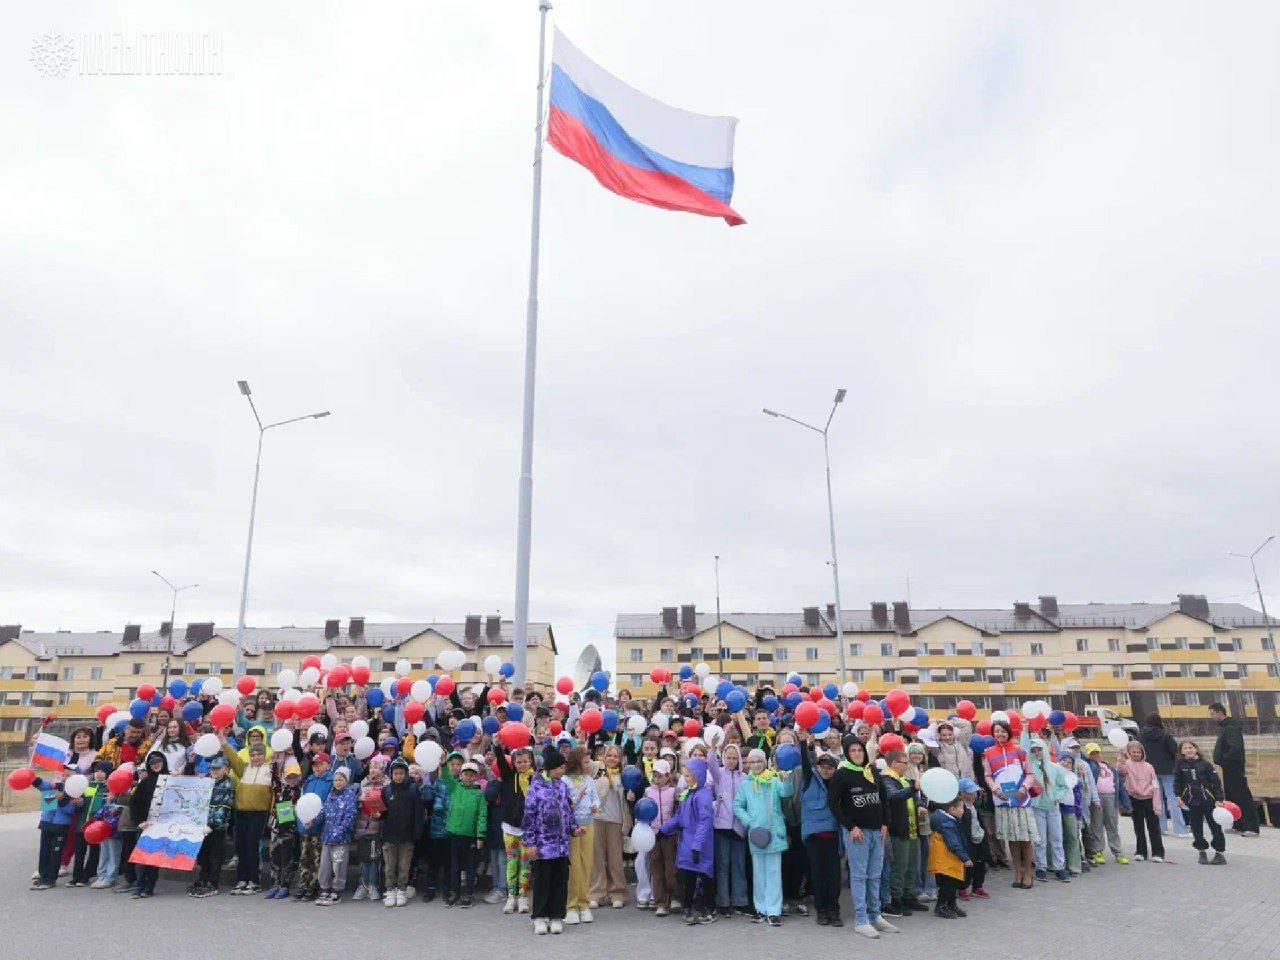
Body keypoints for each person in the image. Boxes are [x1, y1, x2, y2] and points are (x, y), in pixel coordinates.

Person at [829, 734, 894, 939]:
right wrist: (850, 827)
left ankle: (876, 915)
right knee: (859, 876)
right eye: (852, 750)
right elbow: (833, 804)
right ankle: (861, 919)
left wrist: (885, 823)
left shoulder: (872, 771)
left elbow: (883, 798)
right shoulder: (842, 774)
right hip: (858, 833)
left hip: (877, 831)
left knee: (876, 874)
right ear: (847, 754)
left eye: (859, 750)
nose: (857, 753)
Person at [523, 745, 580, 934]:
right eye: (559, 768)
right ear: (550, 768)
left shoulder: (563, 786)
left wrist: (574, 829)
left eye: (563, 768)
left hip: (562, 847)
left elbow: (568, 811)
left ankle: (556, 916)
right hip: (542, 847)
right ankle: (540, 917)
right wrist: (530, 843)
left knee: (559, 882)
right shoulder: (535, 788)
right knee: (542, 882)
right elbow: (529, 818)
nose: (562, 771)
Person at [733, 747, 792, 928]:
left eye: (759, 761)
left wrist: (786, 779)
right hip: (756, 835)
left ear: (765, 762)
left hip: (774, 833)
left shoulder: (773, 780)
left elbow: (786, 793)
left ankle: (774, 911)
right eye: (752, 761)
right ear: (748, 764)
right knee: (758, 873)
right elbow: (737, 805)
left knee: (774, 873)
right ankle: (760, 909)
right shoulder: (746, 784)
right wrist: (750, 821)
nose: (756, 764)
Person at [660, 756, 715, 925]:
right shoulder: (688, 794)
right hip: (687, 844)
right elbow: (679, 817)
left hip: (700, 845)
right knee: (687, 878)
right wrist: (664, 829)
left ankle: (708, 908)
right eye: (684, 775)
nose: (686, 778)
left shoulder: (703, 795)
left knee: (705, 878)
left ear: (698, 775)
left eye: (689, 775)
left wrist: (697, 845)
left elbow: (704, 821)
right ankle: (687, 907)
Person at [982, 720, 1037, 889]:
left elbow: (1030, 774)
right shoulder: (988, 753)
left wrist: (1024, 788)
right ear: (993, 733)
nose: (1000, 734)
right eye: (997, 731)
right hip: (1003, 800)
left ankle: (1028, 873)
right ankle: (1017, 873)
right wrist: (995, 789)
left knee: (1025, 838)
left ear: (1009, 732)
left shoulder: (1020, 750)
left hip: (1021, 800)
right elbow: (988, 776)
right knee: (1012, 838)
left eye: (1003, 731)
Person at [797, 737, 843, 926]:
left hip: (833, 836)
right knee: (817, 874)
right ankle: (821, 910)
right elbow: (805, 763)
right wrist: (803, 744)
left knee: (834, 876)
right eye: (822, 766)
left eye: (830, 767)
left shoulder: (837, 784)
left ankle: (834, 911)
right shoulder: (809, 779)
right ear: (817, 767)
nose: (826, 769)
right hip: (814, 838)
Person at [220, 734, 274, 894]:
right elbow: (233, 757)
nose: (255, 757)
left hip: (259, 813)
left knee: (251, 845)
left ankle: (254, 881)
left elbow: (275, 792)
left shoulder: (270, 770)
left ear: (265, 755)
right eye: (252, 754)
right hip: (242, 812)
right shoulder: (244, 768)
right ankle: (242, 879)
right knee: (240, 846)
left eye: (259, 754)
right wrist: (224, 743)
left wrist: (272, 814)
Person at [708, 742, 749, 918]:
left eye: (734, 757)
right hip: (722, 826)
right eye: (728, 757)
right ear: (723, 758)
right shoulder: (719, 775)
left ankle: (740, 901)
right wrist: (711, 748)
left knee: (739, 865)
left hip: (739, 827)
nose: (731, 761)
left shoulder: (745, 777)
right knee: (723, 865)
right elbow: (710, 765)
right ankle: (723, 902)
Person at [882, 749, 925, 917]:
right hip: (898, 830)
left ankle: (909, 896)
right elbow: (894, 797)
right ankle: (897, 900)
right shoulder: (887, 779)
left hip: (912, 829)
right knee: (899, 867)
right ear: (893, 763)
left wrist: (921, 804)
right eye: (904, 762)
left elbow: (914, 798)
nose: (907, 765)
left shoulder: (904, 779)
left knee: (912, 866)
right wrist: (913, 789)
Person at [493, 743, 535, 914]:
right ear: (514, 763)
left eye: (525, 761)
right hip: (510, 827)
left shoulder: (537, 779)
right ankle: (511, 897)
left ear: (531, 761)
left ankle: (523, 896)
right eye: (518, 762)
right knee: (512, 861)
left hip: (528, 829)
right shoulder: (510, 776)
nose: (522, 764)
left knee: (525, 863)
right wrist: (497, 747)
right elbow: (502, 763)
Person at [441, 758, 488, 907]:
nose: (469, 777)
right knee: (454, 865)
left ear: (476, 777)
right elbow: (446, 777)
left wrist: (480, 836)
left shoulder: (479, 794)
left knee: (470, 867)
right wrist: (443, 765)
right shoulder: (454, 787)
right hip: (454, 834)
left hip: (471, 837)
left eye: (472, 775)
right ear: (460, 775)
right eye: (466, 774)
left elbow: (482, 816)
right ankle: (455, 892)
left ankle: (469, 893)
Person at [589, 742, 630, 909]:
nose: (612, 758)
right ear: (603, 757)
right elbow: (584, 759)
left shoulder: (625, 775)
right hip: (597, 818)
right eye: (609, 755)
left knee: (615, 859)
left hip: (616, 820)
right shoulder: (596, 770)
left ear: (620, 759)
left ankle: (618, 893)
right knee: (596, 858)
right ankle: (596, 893)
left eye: (615, 756)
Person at [1173, 740, 1227, 865]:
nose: (1188, 750)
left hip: (1208, 801)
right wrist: (1178, 796)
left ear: (1196, 749)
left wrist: (1219, 799)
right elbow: (1177, 782)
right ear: (1181, 752)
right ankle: (1201, 851)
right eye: (1185, 748)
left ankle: (1220, 853)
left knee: (1215, 827)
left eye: (1190, 747)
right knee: (1196, 828)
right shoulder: (1180, 765)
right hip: (1192, 802)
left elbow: (1216, 782)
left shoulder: (1205, 764)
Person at [562, 746, 599, 924]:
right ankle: (571, 906)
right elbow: (566, 804)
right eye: (585, 761)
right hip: (571, 826)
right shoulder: (564, 780)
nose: (588, 764)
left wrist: (595, 805)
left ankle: (584, 904)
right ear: (576, 762)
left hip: (588, 824)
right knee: (573, 866)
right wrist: (578, 797)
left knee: (586, 863)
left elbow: (595, 797)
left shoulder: (589, 779)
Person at [1210, 703, 1259, 836]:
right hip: (1228, 767)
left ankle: (1252, 828)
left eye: (1212, 714)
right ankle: (1238, 825)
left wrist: (1224, 759)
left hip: (1234, 767)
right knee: (1232, 796)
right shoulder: (1224, 727)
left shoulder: (1231, 727)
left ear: (1220, 713)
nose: (1211, 717)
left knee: (1242, 796)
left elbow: (1235, 748)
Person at [380, 757, 423, 906]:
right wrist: (378, 814)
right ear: (391, 774)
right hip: (389, 835)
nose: (398, 776)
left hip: (407, 835)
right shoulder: (386, 790)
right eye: (395, 773)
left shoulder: (413, 789)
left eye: (401, 773)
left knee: (404, 866)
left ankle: (401, 890)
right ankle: (390, 890)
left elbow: (418, 813)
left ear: (406, 774)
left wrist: (417, 833)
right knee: (390, 866)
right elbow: (383, 811)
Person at [1139, 713, 1189, 837]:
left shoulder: (1141, 736)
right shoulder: (1165, 736)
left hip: (1150, 771)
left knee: (1157, 800)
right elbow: (1174, 750)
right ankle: (1180, 830)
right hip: (1168, 770)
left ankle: (1160, 828)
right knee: (1173, 799)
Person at [315, 765, 359, 904]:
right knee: (325, 866)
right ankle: (325, 889)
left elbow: (350, 816)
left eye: (341, 780)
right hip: (327, 837)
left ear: (346, 781)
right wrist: (313, 820)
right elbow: (323, 812)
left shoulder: (350, 796)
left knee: (338, 866)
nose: (337, 782)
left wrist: (339, 830)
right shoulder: (330, 795)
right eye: (335, 780)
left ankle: (337, 890)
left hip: (340, 838)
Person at [128, 750, 169, 898]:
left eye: (158, 762)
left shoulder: (171, 780)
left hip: (163, 825)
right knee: (142, 857)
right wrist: (139, 822)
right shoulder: (144, 782)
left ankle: (149, 887)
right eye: (152, 763)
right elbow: (133, 803)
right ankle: (139, 886)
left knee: (155, 858)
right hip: (146, 824)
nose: (156, 765)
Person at [194, 753, 235, 897]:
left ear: (226, 769)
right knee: (203, 855)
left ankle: (212, 883)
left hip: (217, 827)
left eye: (218, 768)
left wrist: (213, 824)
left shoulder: (227, 784)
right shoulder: (205, 781)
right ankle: (202, 879)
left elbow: (224, 807)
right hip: (202, 825)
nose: (214, 771)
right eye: (212, 768)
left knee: (215, 856)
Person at [1116, 740, 1164, 862]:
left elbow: (1155, 785)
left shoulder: (1149, 766)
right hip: (1134, 799)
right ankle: (1141, 851)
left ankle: (1158, 853)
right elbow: (1120, 770)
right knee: (1139, 827)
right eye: (1133, 752)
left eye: (1139, 752)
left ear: (1142, 753)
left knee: (1154, 827)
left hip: (1149, 799)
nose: (1136, 754)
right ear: (1129, 753)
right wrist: (1121, 756)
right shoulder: (1126, 764)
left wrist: (1157, 804)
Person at [295, 751, 333, 900]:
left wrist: (316, 819)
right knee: (304, 856)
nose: (317, 768)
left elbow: (327, 804)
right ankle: (303, 884)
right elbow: (302, 802)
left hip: (320, 826)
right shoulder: (308, 781)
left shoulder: (331, 781)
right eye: (315, 765)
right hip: (305, 825)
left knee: (318, 858)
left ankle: (315, 885)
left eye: (320, 764)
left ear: (327, 765)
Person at [1083, 742, 1129, 864]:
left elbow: (1119, 786)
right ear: (1088, 755)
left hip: (1111, 797)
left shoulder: (1110, 767)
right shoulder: (1089, 766)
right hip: (1097, 798)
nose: (1095, 755)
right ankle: (1098, 851)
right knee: (1097, 826)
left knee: (1112, 825)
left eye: (1097, 752)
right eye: (1092, 753)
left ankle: (1117, 851)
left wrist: (1126, 803)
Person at [645, 757, 680, 915]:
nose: (658, 779)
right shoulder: (648, 791)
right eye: (655, 775)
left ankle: (675, 897)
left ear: (668, 776)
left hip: (669, 833)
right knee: (656, 868)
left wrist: (669, 827)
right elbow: (643, 812)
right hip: (653, 834)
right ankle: (660, 902)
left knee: (671, 868)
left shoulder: (674, 792)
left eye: (661, 775)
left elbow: (676, 813)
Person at [263, 758, 301, 899]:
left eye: (294, 777)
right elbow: (274, 778)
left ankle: (285, 885)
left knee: (286, 859)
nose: (292, 779)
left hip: (289, 830)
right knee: (274, 857)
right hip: (276, 828)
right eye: (289, 777)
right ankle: (275, 884)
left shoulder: (300, 792)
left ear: (299, 777)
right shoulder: (280, 790)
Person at [928, 798, 972, 919]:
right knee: (948, 885)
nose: (963, 810)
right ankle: (941, 906)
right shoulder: (948, 824)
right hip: (946, 860)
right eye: (961, 808)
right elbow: (953, 843)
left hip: (948, 859)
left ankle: (951, 904)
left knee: (953, 883)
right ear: (952, 809)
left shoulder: (948, 820)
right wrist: (965, 857)